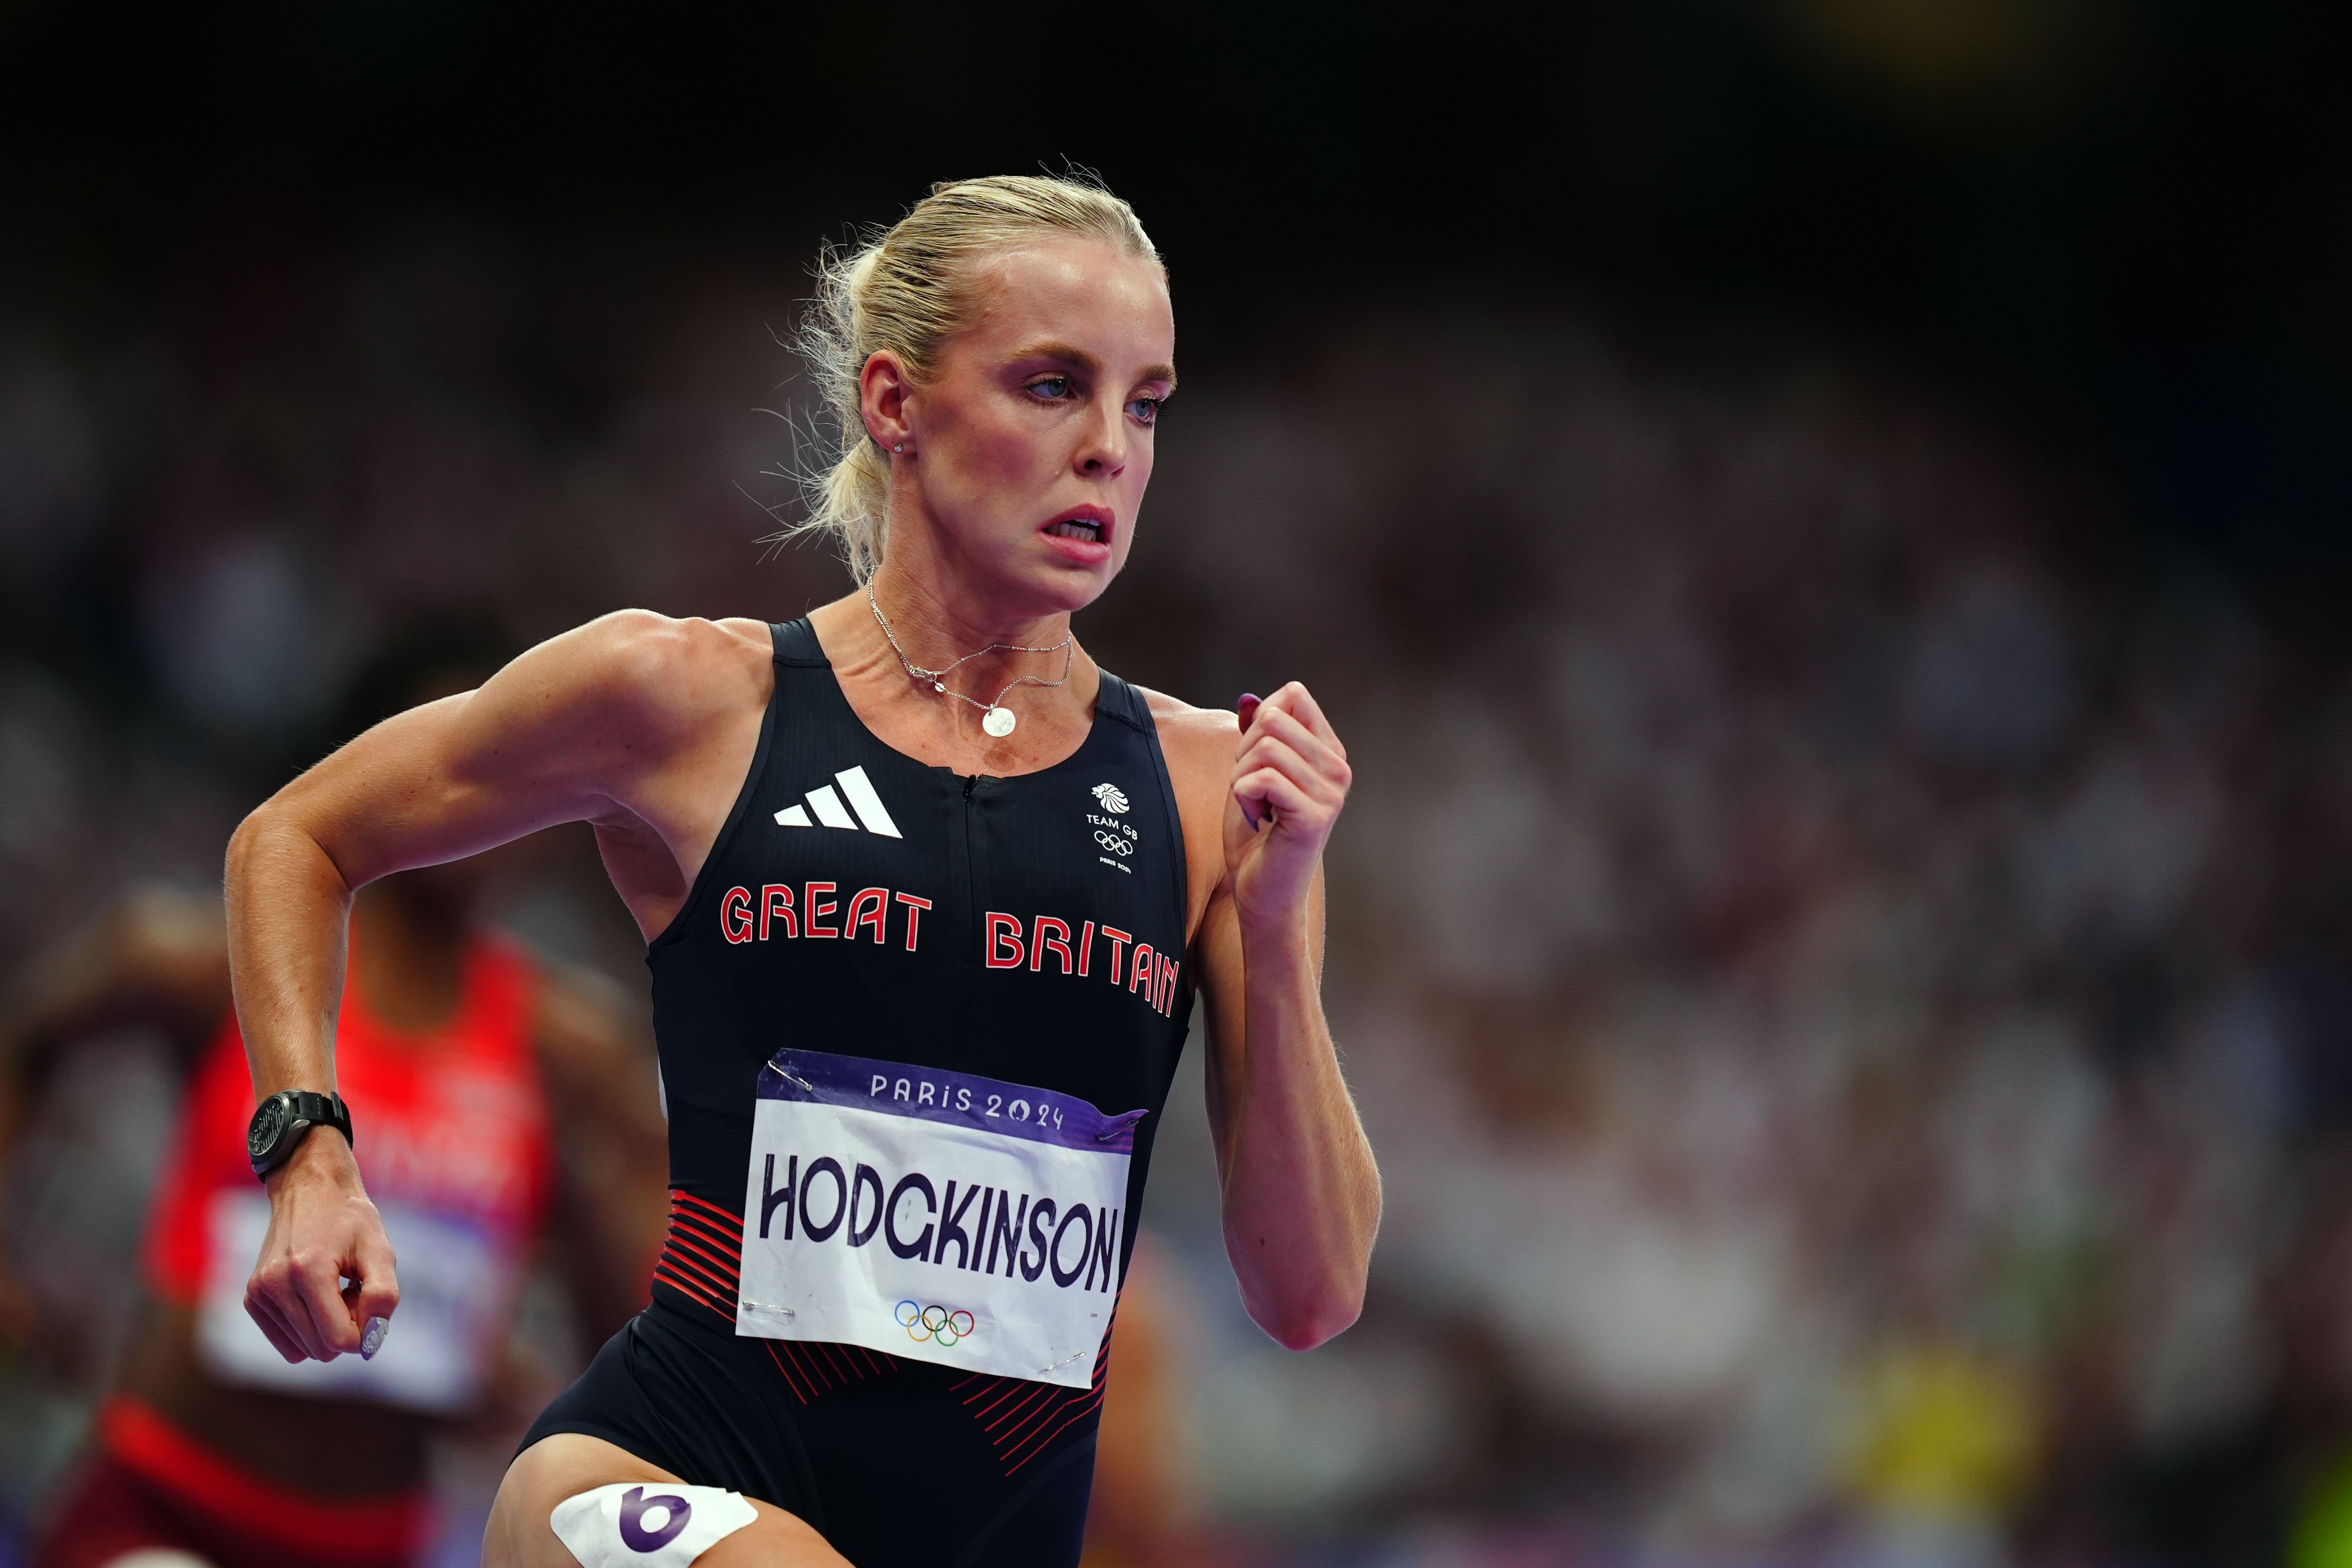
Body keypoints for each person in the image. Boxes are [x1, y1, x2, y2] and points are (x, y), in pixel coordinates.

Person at [223, 174, 1382, 1568]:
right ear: (896, 404)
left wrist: (1273, 916)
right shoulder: (692, 701)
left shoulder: (1214, 793)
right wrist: (310, 1154)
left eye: (1144, 406)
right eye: (1052, 386)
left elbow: (1310, 1294)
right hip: (658, 1476)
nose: (1108, 453)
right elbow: (294, 836)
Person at [0, 621, 668, 1568]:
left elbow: (643, 1331)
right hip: (163, 1499)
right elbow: (27, 1042)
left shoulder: (568, 1050)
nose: (486, 801)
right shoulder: (206, 964)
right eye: (458, 756)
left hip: (372, 1537)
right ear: (375, 767)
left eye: (515, 766)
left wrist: (521, 1366)